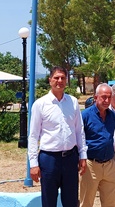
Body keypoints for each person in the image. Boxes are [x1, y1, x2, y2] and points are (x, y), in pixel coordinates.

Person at [27, 67, 88, 207]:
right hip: (49, 160)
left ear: (66, 81)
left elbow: (79, 130)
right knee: (49, 201)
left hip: (70, 159)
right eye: (56, 78)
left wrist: (83, 155)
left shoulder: (73, 102)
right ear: (50, 80)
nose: (59, 81)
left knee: (71, 201)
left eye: (63, 78)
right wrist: (33, 164)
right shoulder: (40, 104)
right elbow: (33, 135)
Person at [80, 84, 115, 207]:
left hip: (109, 165)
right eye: (103, 97)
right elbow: (78, 139)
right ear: (96, 97)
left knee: (110, 203)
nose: (106, 101)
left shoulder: (112, 116)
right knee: (86, 202)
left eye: (109, 97)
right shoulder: (85, 115)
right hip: (91, 165)